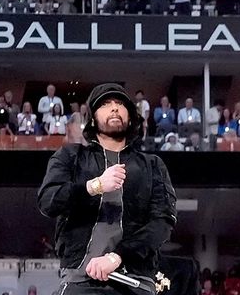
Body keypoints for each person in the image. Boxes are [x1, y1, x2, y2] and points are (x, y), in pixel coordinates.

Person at [38, 83, 177, 295]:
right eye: (105, 104)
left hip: (136, 282)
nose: (114, 108)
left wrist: (117, 256)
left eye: (120, 104)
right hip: (80, 280)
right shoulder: (70, 157)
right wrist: (95, 186)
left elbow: (161, 223)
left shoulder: (152, 165)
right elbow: (48, 201)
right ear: (92, 118)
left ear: (130, 117)